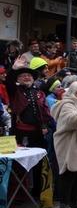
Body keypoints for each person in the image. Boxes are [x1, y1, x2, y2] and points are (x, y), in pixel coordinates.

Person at [7, 59, 53, 200]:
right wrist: (14, 69)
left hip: (38, 132)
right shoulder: (15, 91)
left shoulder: (38, 92)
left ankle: (38, 192)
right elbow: (8, 82)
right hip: (21, 133)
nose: (27, 77)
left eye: (29, 76)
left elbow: (44, 111)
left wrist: (45, 126)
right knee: (20, 164)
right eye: (23, 76)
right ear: (18, 79)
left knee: (39, 162)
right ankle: (20, 195)